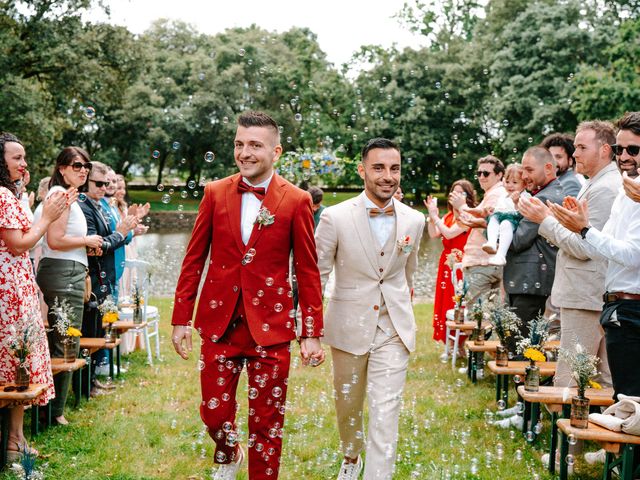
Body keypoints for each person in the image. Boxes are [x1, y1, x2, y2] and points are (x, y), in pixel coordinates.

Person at [171, 111, 324, 480]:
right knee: (214, 414)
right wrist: (181, 319)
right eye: (239, 144)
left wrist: (311, 331)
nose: (244, 152)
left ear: (276, 151)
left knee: (267, 423)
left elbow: (306, 269)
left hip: (271, 327)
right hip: (219, 323)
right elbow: (194, 260)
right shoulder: (215, 192)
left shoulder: (297, 200)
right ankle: (228, 451)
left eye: (255, 145)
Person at [316, 138, 425, 480]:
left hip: (393, 329)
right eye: (378, 167)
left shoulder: (414, 220)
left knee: (384, 411)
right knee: (348, 406)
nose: (387, 176)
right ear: (363, 170)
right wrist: (309, 330)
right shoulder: (334, 217)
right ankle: (351, 455)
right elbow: (317, 274)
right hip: (347, 327)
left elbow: (408, 273)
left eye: (394, 168)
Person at [519, 121, 620, 390]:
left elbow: (586, 246)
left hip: (587, 295)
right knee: (594, 376)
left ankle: (565, 432)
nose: (575, 154)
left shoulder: (606, 188)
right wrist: (557, 217)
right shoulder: (596, 182)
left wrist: (544, 221)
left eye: (581, 147)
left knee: (571, 378)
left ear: (605, 150)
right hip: (586, 294)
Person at [0, 132, 69, 459]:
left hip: (17, 286)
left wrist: (23, 201)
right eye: (17, 158)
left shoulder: (8, 194)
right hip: (8, 291)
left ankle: (15, 439)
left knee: (19, 360)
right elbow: (19, 243)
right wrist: (46, 218)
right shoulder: (1, 194)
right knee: (16, 359)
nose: (24, 163)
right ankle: (12, 441)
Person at [36, 147, 104, 424]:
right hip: (62, 274)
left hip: (69, 270)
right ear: (62, 168)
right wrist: (87, 241)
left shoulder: (69, 197)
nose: (83, 170)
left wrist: (88, 248)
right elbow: (54, 240)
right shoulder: (60, 196)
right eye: (77, 165)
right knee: (66, 340)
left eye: (86, 165)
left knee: (66, 339)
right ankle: (53, 412)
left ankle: (52, 408)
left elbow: (63, 241)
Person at [79, 161, 138, 396]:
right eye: (99, 183)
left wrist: (122, 232)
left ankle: (92, 381)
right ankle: (86, 385)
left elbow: (108, 239)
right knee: (89, 331)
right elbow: (97, 246)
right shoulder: (84, 206)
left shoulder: (98, 204)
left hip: (104, 277)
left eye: (107, 183)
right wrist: (121, 233)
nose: (105, 187)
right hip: (92, 278)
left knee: (96, 329)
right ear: (86, 181)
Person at [503, 146, 564, 349]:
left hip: (531, 280)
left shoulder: (543, 199)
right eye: (523, 170)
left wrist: (498, 219)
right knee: (520, 341)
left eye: (529, 170)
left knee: (521, 344)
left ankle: (523, 380)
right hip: (528, 280)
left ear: (548, 168)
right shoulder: (541, 194)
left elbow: (517, 240)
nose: (523, 175)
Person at [424, 180, 475, 343]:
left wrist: (435, 217)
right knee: (446, 303)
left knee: (459, 304)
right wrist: (432, 217)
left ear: (468, 196)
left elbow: (449, 233)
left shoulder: (469, 216)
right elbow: (434, 234)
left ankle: (462, 343)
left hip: (462, 266)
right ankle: (451, 343)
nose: (457, 196)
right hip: (447, 265)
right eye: (454, 192)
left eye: (461, 193)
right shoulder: (449, 216)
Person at [452, 156, 507, 305]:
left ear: (499, 175)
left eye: (486, 173)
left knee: (477, 318)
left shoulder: (497, 194)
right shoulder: (494, 193)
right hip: (490, 263)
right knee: (492, 318)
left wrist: (461, 206)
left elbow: (485, 222)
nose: (481, 177)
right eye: (479, 173)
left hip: (483, 263)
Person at [482, 163, 528, 266]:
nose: (510, 185)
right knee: (493, 219)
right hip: (501, 216)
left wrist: (517, 202)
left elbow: (524, 213)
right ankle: (492, 242)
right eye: (507, 182)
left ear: (524, 184)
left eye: (515, 182)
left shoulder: (524, 196)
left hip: (513, 220)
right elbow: (501, 208)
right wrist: (492, 210)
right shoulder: (503, 195)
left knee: (505, 224)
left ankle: (501, 255)